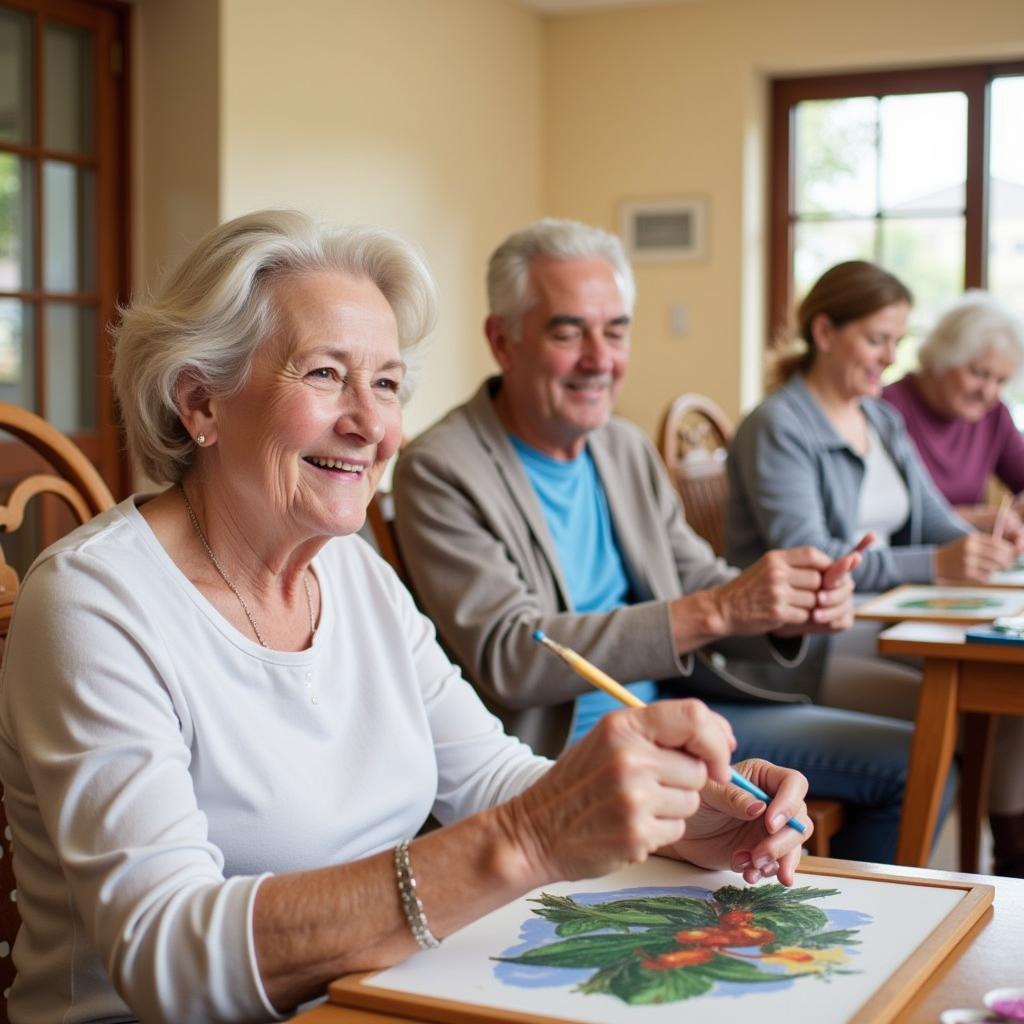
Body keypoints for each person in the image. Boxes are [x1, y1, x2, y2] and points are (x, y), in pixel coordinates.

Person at [0, 210, 811, 1024]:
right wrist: (528, 839)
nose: (372, 425)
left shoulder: (352, 571)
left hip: (376, 996)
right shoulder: (94, 603)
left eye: (386, 383)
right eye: (324, 374)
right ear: (199, 402)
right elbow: (166, 958)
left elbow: (491, 779)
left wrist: (684, 816)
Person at [392, 217, 931, 866]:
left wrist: (784, 607)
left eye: (615, 330)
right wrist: (718, 609)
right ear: (502, 340)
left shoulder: (621, 446)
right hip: (554, 759)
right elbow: (512, 654)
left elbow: (702, 582)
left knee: (913, 757)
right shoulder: (441, 466)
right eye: (569, 331)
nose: (600, 359)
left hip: (677, 719)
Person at [726, 259, 1024, 876]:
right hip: (807, 647)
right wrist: (936, 563)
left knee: (1006, 695)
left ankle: (1006, 861)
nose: (889, 357)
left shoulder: (880, 418)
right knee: (957, 719)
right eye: (876, 338)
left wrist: (977, 541)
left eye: (895, 340)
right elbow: (812, 560)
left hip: (877, 622)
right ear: (826, 330)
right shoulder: (779, 425)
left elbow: (935, 520)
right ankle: (888, 887)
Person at [882, 290, 1024, 542]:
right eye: (978, 373)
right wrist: (966, 519)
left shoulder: (994, 415)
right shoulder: (885, 409)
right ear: (942, 358)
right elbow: (883, 518)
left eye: (1001, 380)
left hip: (970, 565)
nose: (988, 392)